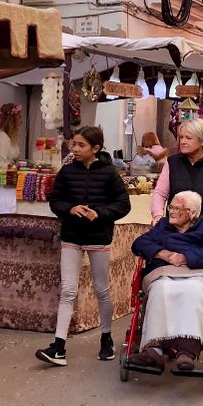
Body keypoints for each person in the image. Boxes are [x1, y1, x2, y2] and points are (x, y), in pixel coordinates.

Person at [36, 126, 131, 367]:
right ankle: (58, 346)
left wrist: (99, 213)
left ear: (95, 149)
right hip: (71, 236)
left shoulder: (110, 174)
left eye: (81, 145)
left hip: (98, 237)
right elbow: (55, 200)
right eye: (73, 144)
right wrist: (69, 209)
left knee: (101, 289)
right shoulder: (67, 172)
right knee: (68, 290)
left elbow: (123, 205)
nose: (75, 149)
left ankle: (106, 337)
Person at [125, 191, 203, 372]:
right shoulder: (163, 226)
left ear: (192, 213)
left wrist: (186, 257)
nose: (171, 212)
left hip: (198, 275)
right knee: (161, 289)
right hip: (163, 273)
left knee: (192, 291)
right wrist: (165, 254)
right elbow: (139, 243)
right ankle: (153, 350)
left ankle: (187, 351)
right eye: (171, 207)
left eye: (177, 208)